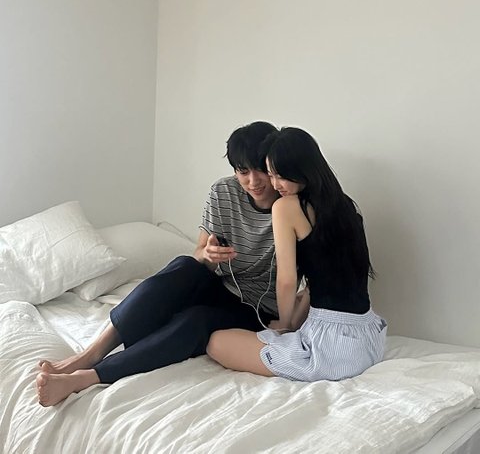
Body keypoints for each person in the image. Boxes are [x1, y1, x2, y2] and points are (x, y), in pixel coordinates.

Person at [36, 120, 293, 406]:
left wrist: (288, 323)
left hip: (256, 309)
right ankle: (91, 354)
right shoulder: (224, 192)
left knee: (195, 321)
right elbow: (200, 254)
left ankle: (89, 377)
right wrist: (207, 255)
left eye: (260, 170)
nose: (253, 181)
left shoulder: (291, 206)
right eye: (243, 172)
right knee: (185, 266)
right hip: (220, 284)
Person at [207, 127, 387, 382]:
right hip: (368, 340)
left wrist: (284, 326)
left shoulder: (286, 206)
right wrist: (294, 320)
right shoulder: (344, 205)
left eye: (280, 176)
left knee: (216, 342)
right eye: (271, 175)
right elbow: (318, 283)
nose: (275, 185)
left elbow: (287, 280)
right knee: (300, 300)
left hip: (329, 349)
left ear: (302, 170)